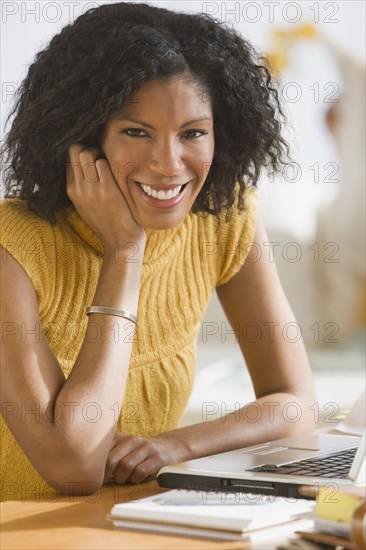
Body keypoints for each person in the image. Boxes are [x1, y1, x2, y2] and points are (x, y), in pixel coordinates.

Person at [0, 2, 316, 501]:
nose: (169, 165)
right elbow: (74, 466)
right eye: (135, 132)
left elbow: (295, 404)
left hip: (138, 523)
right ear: (83, 140)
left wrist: (174, 447)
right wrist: (124, 250)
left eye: (192, 133)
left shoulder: (224, 218)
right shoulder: (12, 247)